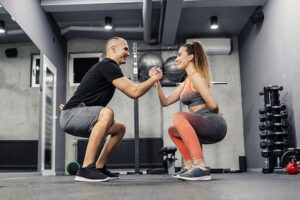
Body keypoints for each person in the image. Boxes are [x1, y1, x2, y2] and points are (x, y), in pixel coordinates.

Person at [60, 37, 163, 182]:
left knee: (119, 128)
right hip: (71, 115)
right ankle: (86, 169)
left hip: (76, 113)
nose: (128, 53)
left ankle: (99, 166)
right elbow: (134, 92)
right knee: (107, 113)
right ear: (113, 49)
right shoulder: (108, 65)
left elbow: (85, 92)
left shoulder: (109, 69)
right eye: (125, 49)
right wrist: (153, 79)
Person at [149, 41, 227, 181]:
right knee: (173, 130)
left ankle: (201, 166)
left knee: (179, 116)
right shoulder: (186, 81)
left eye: (179, 55)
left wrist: (212, 114)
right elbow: (165, 102)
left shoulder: (197, 77)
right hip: (203, 122)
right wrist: (156, 81)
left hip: (213, 124)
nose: (177, 59)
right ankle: (191, 166)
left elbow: (214, 106)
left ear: (190, 57)